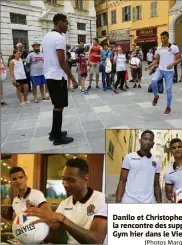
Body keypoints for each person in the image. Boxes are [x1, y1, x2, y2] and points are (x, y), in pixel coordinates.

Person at [25, 158, 107, 245]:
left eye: (70, 180)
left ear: (85, 178)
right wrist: (38, 217)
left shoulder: (102, 200)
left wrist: (62, 219)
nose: (65, 184)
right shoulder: (64, 203)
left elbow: (96, 241)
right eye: (63, 179)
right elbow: (52, 232)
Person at [42, 13, 78, 145]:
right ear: (59, 22)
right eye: (66, 23)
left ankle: (54, 132)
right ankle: (57, 138)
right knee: (59, 106)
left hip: (49, 75)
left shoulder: (46, 37)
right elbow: (62, 61)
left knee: (57, 105)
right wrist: (73, 78)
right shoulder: (59, 38)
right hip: (57, 76)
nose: (67, 26)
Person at [116, 130, 162, 204]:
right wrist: (117, 202)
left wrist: (159, 203)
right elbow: (122, 181)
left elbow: (156, 184)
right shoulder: (129, 157)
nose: (147, 142)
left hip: (149, 202)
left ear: (153, 144)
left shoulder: (156, 161)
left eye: (150, 140)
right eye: (145, 139)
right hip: (130, 201)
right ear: (140, 141)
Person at [145, 31, 181, 115]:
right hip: (160, 70)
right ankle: (156, 96)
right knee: (153, 81)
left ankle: (168, 107)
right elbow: (156, 60)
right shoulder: (159, 48)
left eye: (164, 38)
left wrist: (173, 64)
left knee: (168, 90)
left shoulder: (174, 47)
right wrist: (149, 66)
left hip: (169, 72)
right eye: (161, 38)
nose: (162, 39)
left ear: (168, 38)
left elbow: (180, 59)